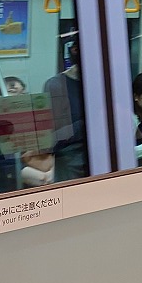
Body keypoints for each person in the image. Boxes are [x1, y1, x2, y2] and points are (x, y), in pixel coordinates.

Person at [44, 34, 88, 182]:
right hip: (70, 160)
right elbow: (54, 137)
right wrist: (88, 123)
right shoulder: (56, 86)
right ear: (75, 50)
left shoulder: (101, 82)